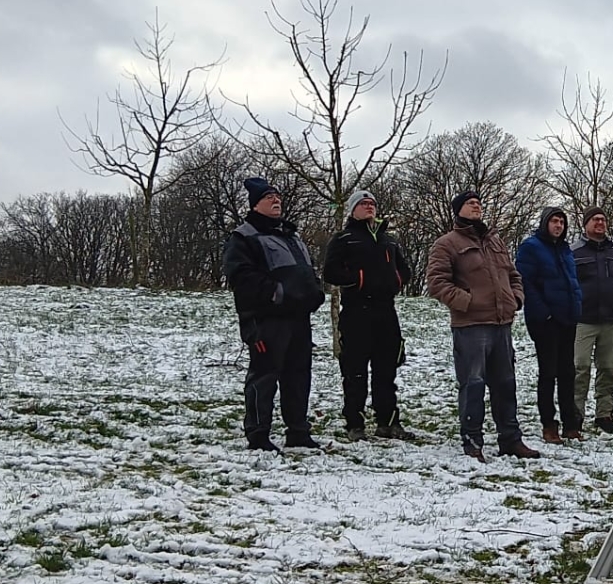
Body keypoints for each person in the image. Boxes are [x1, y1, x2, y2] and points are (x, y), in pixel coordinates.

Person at [426, 191, 540, 461]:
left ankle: (511, 439)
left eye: (478, 203)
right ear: (458, 210)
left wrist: (516, 298)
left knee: (505, 384)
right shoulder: (446, 244)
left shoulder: (495, 241)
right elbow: (437, 283)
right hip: (470, 326)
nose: (476, 206)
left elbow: (513, 275)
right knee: (472, 384)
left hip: (502, 324)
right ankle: (472, 440)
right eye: (470, 203)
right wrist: (467, 302)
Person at [222, 177, 326, 452]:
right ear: (255, 204)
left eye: (278, 196)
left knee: (298, 376)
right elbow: (241, 278)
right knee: (264, 376)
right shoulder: (243, 237)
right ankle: (258, 434)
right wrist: (277, 293)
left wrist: (315, 291)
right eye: (269, 197)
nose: (276, 200)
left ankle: (298, 431)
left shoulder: (292, 236)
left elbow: (306, 271)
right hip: (265, 320)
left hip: (299, 319)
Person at [320, 191, 415, 442]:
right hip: (356, 312)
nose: (369, 207)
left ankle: (388, 422)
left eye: (372, 203)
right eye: (363, 204)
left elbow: (404, 270)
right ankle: (355, 424)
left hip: (386, 311)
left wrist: (396, 280)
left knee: (387, 370)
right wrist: (357, 280)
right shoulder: (343, 239)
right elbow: (330, 272)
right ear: (353, 210)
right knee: (355, 371)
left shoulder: (388, 240)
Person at [515, 206, 585, 444]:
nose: (558, 226)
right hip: (545, 320)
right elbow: (526, 282)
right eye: (554, 221)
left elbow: (572, 281)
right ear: (545, 223)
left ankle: (570, 424)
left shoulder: (565, 249)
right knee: (548, 373)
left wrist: (576, 306)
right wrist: (543, 313)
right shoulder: (531, 247)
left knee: (568, 372)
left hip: (568, 317)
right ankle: (549, 424)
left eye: (562, 223)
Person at [571, 207, 613, 435]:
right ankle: (575, 415)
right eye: (595, 219)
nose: (600, 223)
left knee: (608, 368)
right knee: (579, 368)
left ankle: (604, 414)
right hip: (583, 320)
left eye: (603, 219)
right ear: (586, 224)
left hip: (611, 320)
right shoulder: (574, 251)